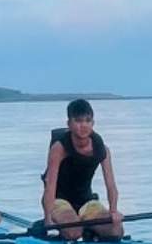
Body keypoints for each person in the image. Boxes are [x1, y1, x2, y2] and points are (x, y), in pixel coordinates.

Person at [38, 99, 123, 241]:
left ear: (93, 123)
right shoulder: (59, 148)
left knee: (116, 231)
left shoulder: (102, 149)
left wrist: (113, 211)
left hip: (87, 201)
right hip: (59, 200)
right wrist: (48, 219)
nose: (83, 125)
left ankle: (87, 226)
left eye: (87, 121)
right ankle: (69, 226)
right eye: (78, 121)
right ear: (69, 124)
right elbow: (50, 185)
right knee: (74, 232)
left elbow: (111, 185)